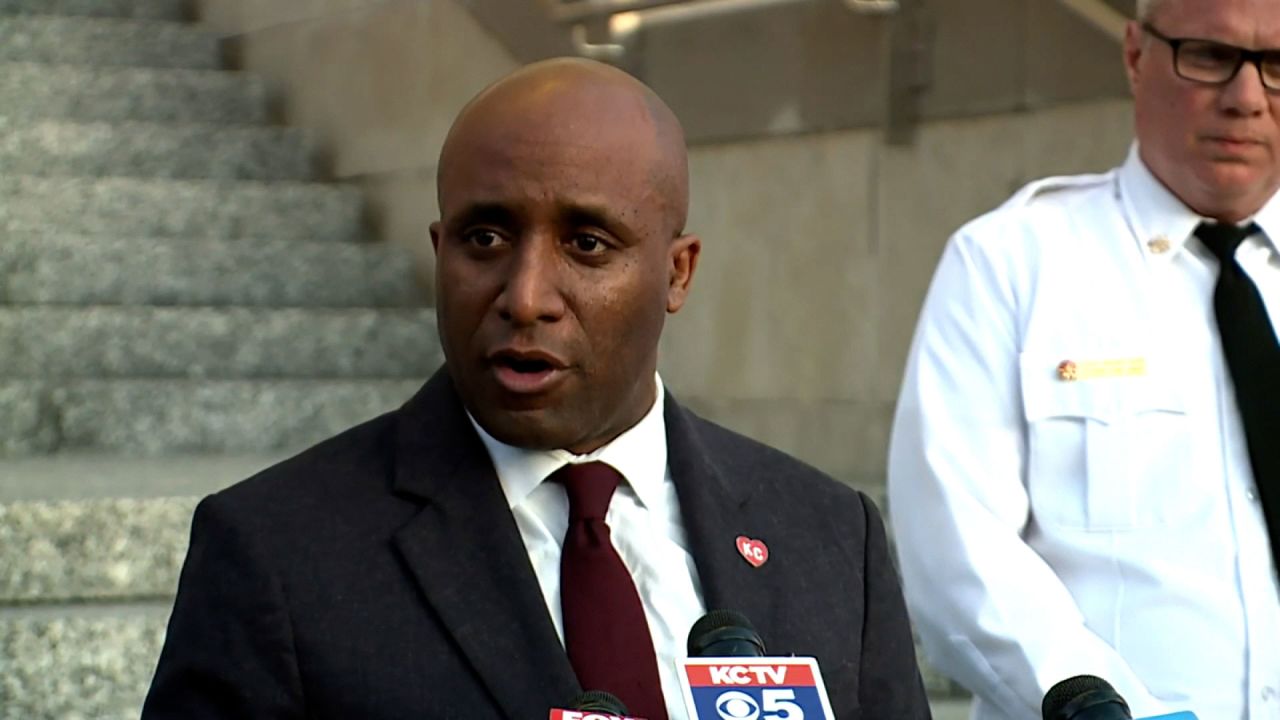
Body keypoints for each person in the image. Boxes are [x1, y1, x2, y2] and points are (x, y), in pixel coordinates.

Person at [142, 58, 931, 719]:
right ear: (439, 249)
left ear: (677, 272)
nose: (525, 296)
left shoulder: (831, 539)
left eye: (587, 244)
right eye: (485, 238)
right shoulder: (277, 552)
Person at [888, 0, 1280, 717]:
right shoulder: (1011, 264)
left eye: (1277, 67)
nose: (1247, 98)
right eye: (1210, 55)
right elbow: (958, 559)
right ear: (1135, 54)